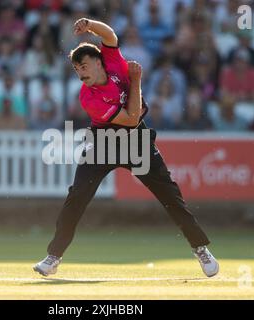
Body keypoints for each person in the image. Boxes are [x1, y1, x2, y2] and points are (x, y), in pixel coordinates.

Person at [34, 18, 219, 278]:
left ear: (99, 62)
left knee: (170, 196)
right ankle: (53, 257)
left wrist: (89, 25)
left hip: (136, 141)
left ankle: (200, 249)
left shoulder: (113, 61)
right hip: (104, 142)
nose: (81, 73)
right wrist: (136, 81)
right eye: (77, 70)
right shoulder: (88, 97)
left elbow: (109, 35)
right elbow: (132, 117)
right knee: (77, 196)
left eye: (84, 66)